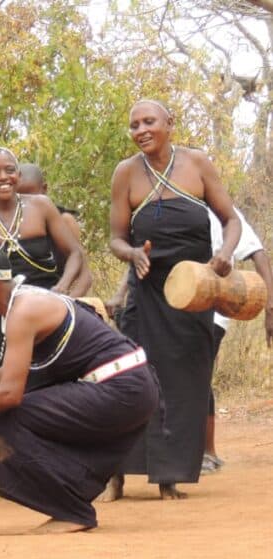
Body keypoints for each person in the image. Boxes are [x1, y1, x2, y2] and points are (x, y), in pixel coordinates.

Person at [0, 247, 159, 532]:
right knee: (16, 417)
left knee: (9, 420)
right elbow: (5, 374)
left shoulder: (23, 311)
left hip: (122, 390)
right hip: (132, 389)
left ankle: (72, 511)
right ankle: (72, 503)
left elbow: (9, 393)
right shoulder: (22, 304)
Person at [108, 99, 240, 500]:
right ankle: (116, 476)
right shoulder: (125, 173)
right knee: (132, 380)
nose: (141, 130)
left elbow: (230, 220)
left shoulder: (197, 163)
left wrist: (224, 256)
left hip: (194, 293)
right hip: (145, 291)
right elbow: (115, 238)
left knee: (185, 382)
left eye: (149, 121)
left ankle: (169, 478)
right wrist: (132, 253)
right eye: (134, 125)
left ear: (170, 122)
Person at [0, 147, 89, 507]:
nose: (3, 177)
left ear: (18, 175)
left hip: (50, 313)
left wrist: (63, 292)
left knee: (62, 388)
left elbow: (75, 254)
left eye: (9, 170)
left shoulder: (42, 208)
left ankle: (73, 475)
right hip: (5, 316)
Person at [203, 208, 273, 472]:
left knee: (199, 373)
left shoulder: (220, 211)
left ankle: (208, 452)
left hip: (215, 310)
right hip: (176, 307)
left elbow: (259, 254)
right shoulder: (169, 205)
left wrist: (269, 308)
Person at [16, 162, 92, 291]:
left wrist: (66, 303)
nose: (26, 203)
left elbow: (85, 277)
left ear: (44, 189)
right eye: (19, 197)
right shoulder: (6, 227)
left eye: (31, 196)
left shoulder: (64, 221)